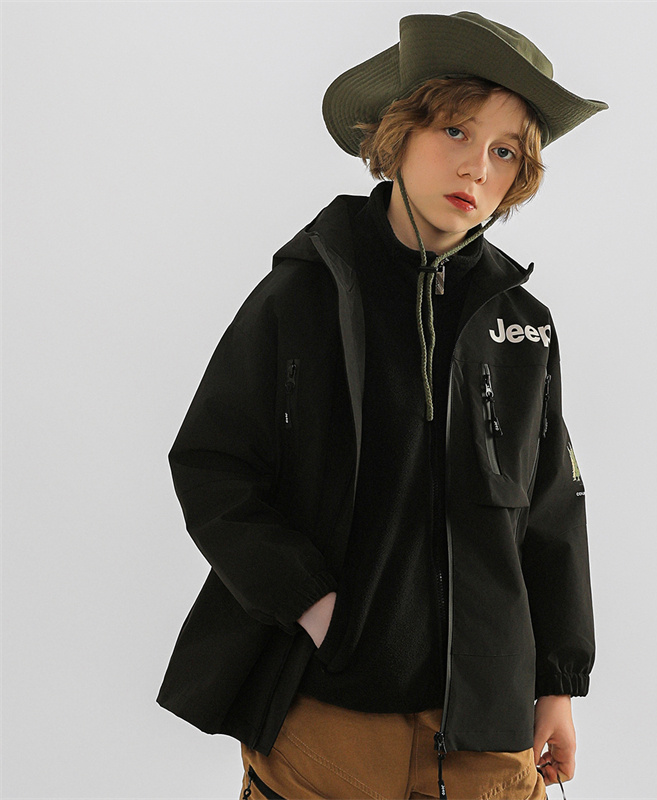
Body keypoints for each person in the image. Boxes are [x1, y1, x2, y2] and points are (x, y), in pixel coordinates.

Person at [157, 11, 607, 800]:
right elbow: (212, 465)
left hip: (488, 721)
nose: (476, 168)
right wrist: (312, 604)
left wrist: (558, 684)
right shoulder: (305, 293)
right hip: (330, 714)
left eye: (504, 151)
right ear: (398, 134)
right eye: (456, 131)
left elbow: (551, 511)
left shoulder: (521, 324)